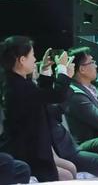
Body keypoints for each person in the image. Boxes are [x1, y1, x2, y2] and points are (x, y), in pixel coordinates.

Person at [0, 36, 74, 182]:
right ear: (22, 60)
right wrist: (62, 69)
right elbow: (57, 95)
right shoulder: (19, 86)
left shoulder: (15, 81)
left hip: (30, 147)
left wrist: (45, 69)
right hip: (30, 150)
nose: (35, 59)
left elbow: (41, 96)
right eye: (32, 55)